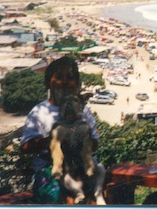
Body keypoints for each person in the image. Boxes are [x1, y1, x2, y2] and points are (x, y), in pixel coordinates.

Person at [20, 56, 101, 204]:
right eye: (58, 77)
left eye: (70, 78)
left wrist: (84, 139)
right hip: (50, 170)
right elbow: (25, 146)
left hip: (81, 168)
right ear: (47, 83)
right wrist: (53, 141)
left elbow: (95, 142)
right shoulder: (39, 112)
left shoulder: (84, 111)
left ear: (77, 84)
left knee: (95, 196)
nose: (64, 82)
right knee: (68, 200)